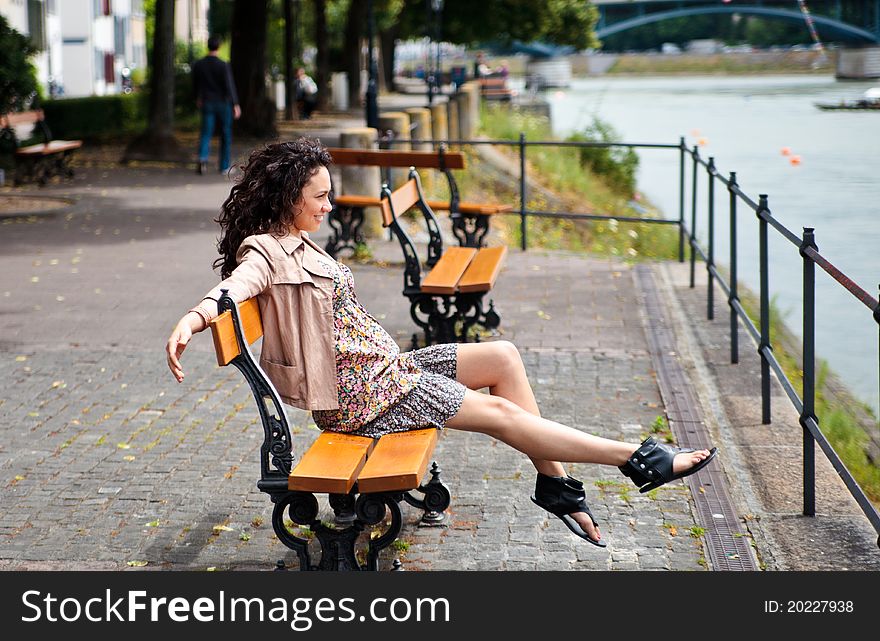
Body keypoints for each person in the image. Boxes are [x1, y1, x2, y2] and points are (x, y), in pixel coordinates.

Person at [165, 139, 717, 547]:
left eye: (329, 195)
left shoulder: (303, 242)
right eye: (320, 197)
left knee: (502, 355)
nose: (329, 205)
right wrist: (191, 321)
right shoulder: (267, 251)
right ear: (289, 197)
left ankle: (557, 486)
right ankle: (636, 460)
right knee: (499, 411)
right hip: (361, 400)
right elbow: (233, 289)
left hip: (388, 373)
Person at [192, 35, 241, 175]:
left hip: (206, 101)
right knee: (225, 133)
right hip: (223, 103)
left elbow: (195, 84)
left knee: (206, 132)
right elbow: (229, 85)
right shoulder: (223, 64)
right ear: (218, 47)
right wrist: (235, 104)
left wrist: (197, 97)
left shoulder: (199, 64)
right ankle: (224, 166)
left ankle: (202, 158)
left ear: (208, 46)